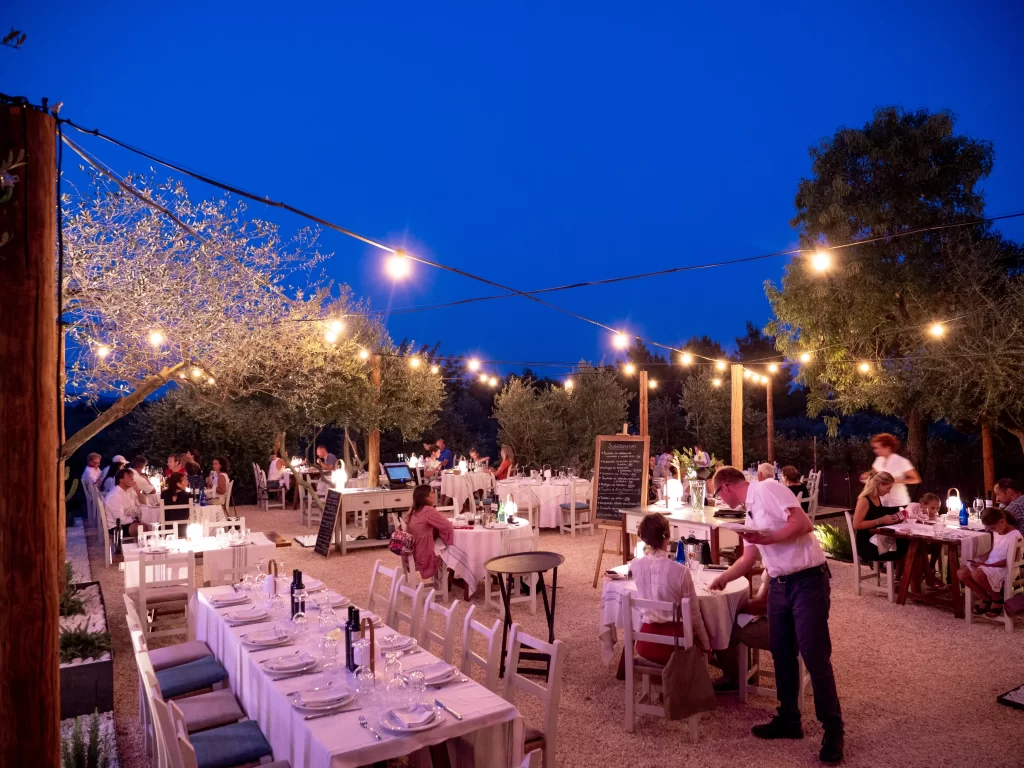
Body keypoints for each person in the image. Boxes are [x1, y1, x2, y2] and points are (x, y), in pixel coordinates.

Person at [708, 465, 844, 765]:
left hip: (808, 579)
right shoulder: (749, 515)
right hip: (780, 584)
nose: (719, 500)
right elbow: (748, 557)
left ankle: (833, 730)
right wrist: (723, 579)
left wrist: (771, 539)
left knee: (814, 654)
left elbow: (803, 523)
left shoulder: (767, 488)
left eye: (716, 494)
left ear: (726, 486)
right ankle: (788, 718)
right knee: (781, 651)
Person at [629, 513, 710, 663]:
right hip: (675, 642)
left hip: (646, 642)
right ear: (667, 536)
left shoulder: (635, 565)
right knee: (708, 633)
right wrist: (706, 645)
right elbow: (694, 615)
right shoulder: (681, 571)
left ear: (643, 537)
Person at [958, 507, 1024, 617]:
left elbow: (1012, 561)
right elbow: (995, 550)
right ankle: (986, 598)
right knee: (961, 573)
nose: (992, 530)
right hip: (991, 564)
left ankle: (997, 599)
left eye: (993, 528)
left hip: (1006, 568)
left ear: (1002, 521)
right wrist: (982, 561)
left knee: (976, 574)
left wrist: (988, 565)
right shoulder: (997, 531)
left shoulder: (1015, 535)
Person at [711, 577, 770, 691]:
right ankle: (742, 671)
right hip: (772, 618)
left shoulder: (779, 568)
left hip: (775, 626)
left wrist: (734, 607)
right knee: (731, 620)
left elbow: (762, 605)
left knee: (721, 628)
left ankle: (733, 678)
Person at [851, 471, 909, 575]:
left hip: (879, 539)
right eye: (888, 488)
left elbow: (879, 518)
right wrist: (880, 520)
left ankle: (902, 582)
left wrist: (894, 518)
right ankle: (907, 585)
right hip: (868, 544)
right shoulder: (864, 500)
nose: (889, 492)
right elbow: (857, 525)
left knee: (911, 546)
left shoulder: (877, 498)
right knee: (908, 550)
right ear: (879, 485)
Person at [402, 484, 454, 587]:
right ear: (426, 497)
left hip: (413, 550)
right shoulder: (428, 510)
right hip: (424, 553)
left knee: (443, 542)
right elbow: (447, 526)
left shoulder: (413, 510)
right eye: (432, 492)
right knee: (453, 547)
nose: (435, 494)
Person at [860, 433, 920, 507]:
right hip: (882, 502)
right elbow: (873, 472)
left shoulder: (901, 461)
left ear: (888, 448)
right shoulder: (879, 460)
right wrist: (867, 474)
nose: (875, 450)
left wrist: (896, 480)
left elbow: (916, 479)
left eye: (877, 448)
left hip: (899, 503)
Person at [103, 468, 142, 539]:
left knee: (149, 524)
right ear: (120, 480)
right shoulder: (115, 495)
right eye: (129, 476)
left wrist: (137, 490)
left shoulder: (129, 491)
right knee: (143, 527)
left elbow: (143, 503)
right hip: (116, 527)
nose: (132, 478)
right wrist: (134, 520)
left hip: (126, 522)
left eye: (132, 476)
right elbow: (119, 519)